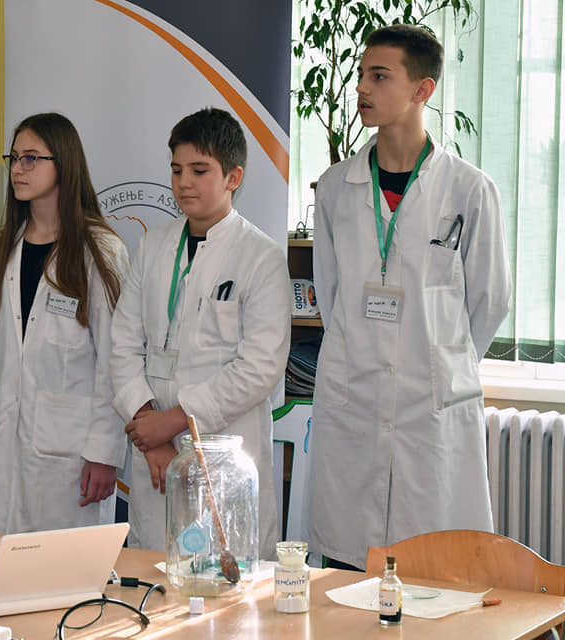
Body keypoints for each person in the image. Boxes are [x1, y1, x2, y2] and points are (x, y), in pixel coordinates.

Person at [308, 25, 512, 570]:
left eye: (379, 76)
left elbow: (490, 299)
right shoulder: (335, 188)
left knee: (435, 570)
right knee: (350, 570)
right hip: (354, 399)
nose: (362, 88)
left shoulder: (469, 190)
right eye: (361, 75)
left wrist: (440, 361)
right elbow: (330, 292)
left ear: (423, 90)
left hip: (432, 405)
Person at [110, 108, 291, 555]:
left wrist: (173, 422)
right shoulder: (153, 245)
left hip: (225, 455)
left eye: (199, 170)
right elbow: (122, 345)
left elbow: (259, 368)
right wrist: (150, 435)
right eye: (176, 170)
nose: (184, 182)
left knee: (227, 580)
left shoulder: (261, 257)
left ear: (234, 177)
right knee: (156, 576)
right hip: (155, 456)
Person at [0, 112, 129, 534]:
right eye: (13, 158)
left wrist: (104, 452)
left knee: (61, 567)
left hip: (71, 454)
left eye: (31, 158)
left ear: (64, 164)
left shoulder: (99, 251)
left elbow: (116, 362)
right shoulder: (3, 248)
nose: (18, 169)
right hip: (0, 442)